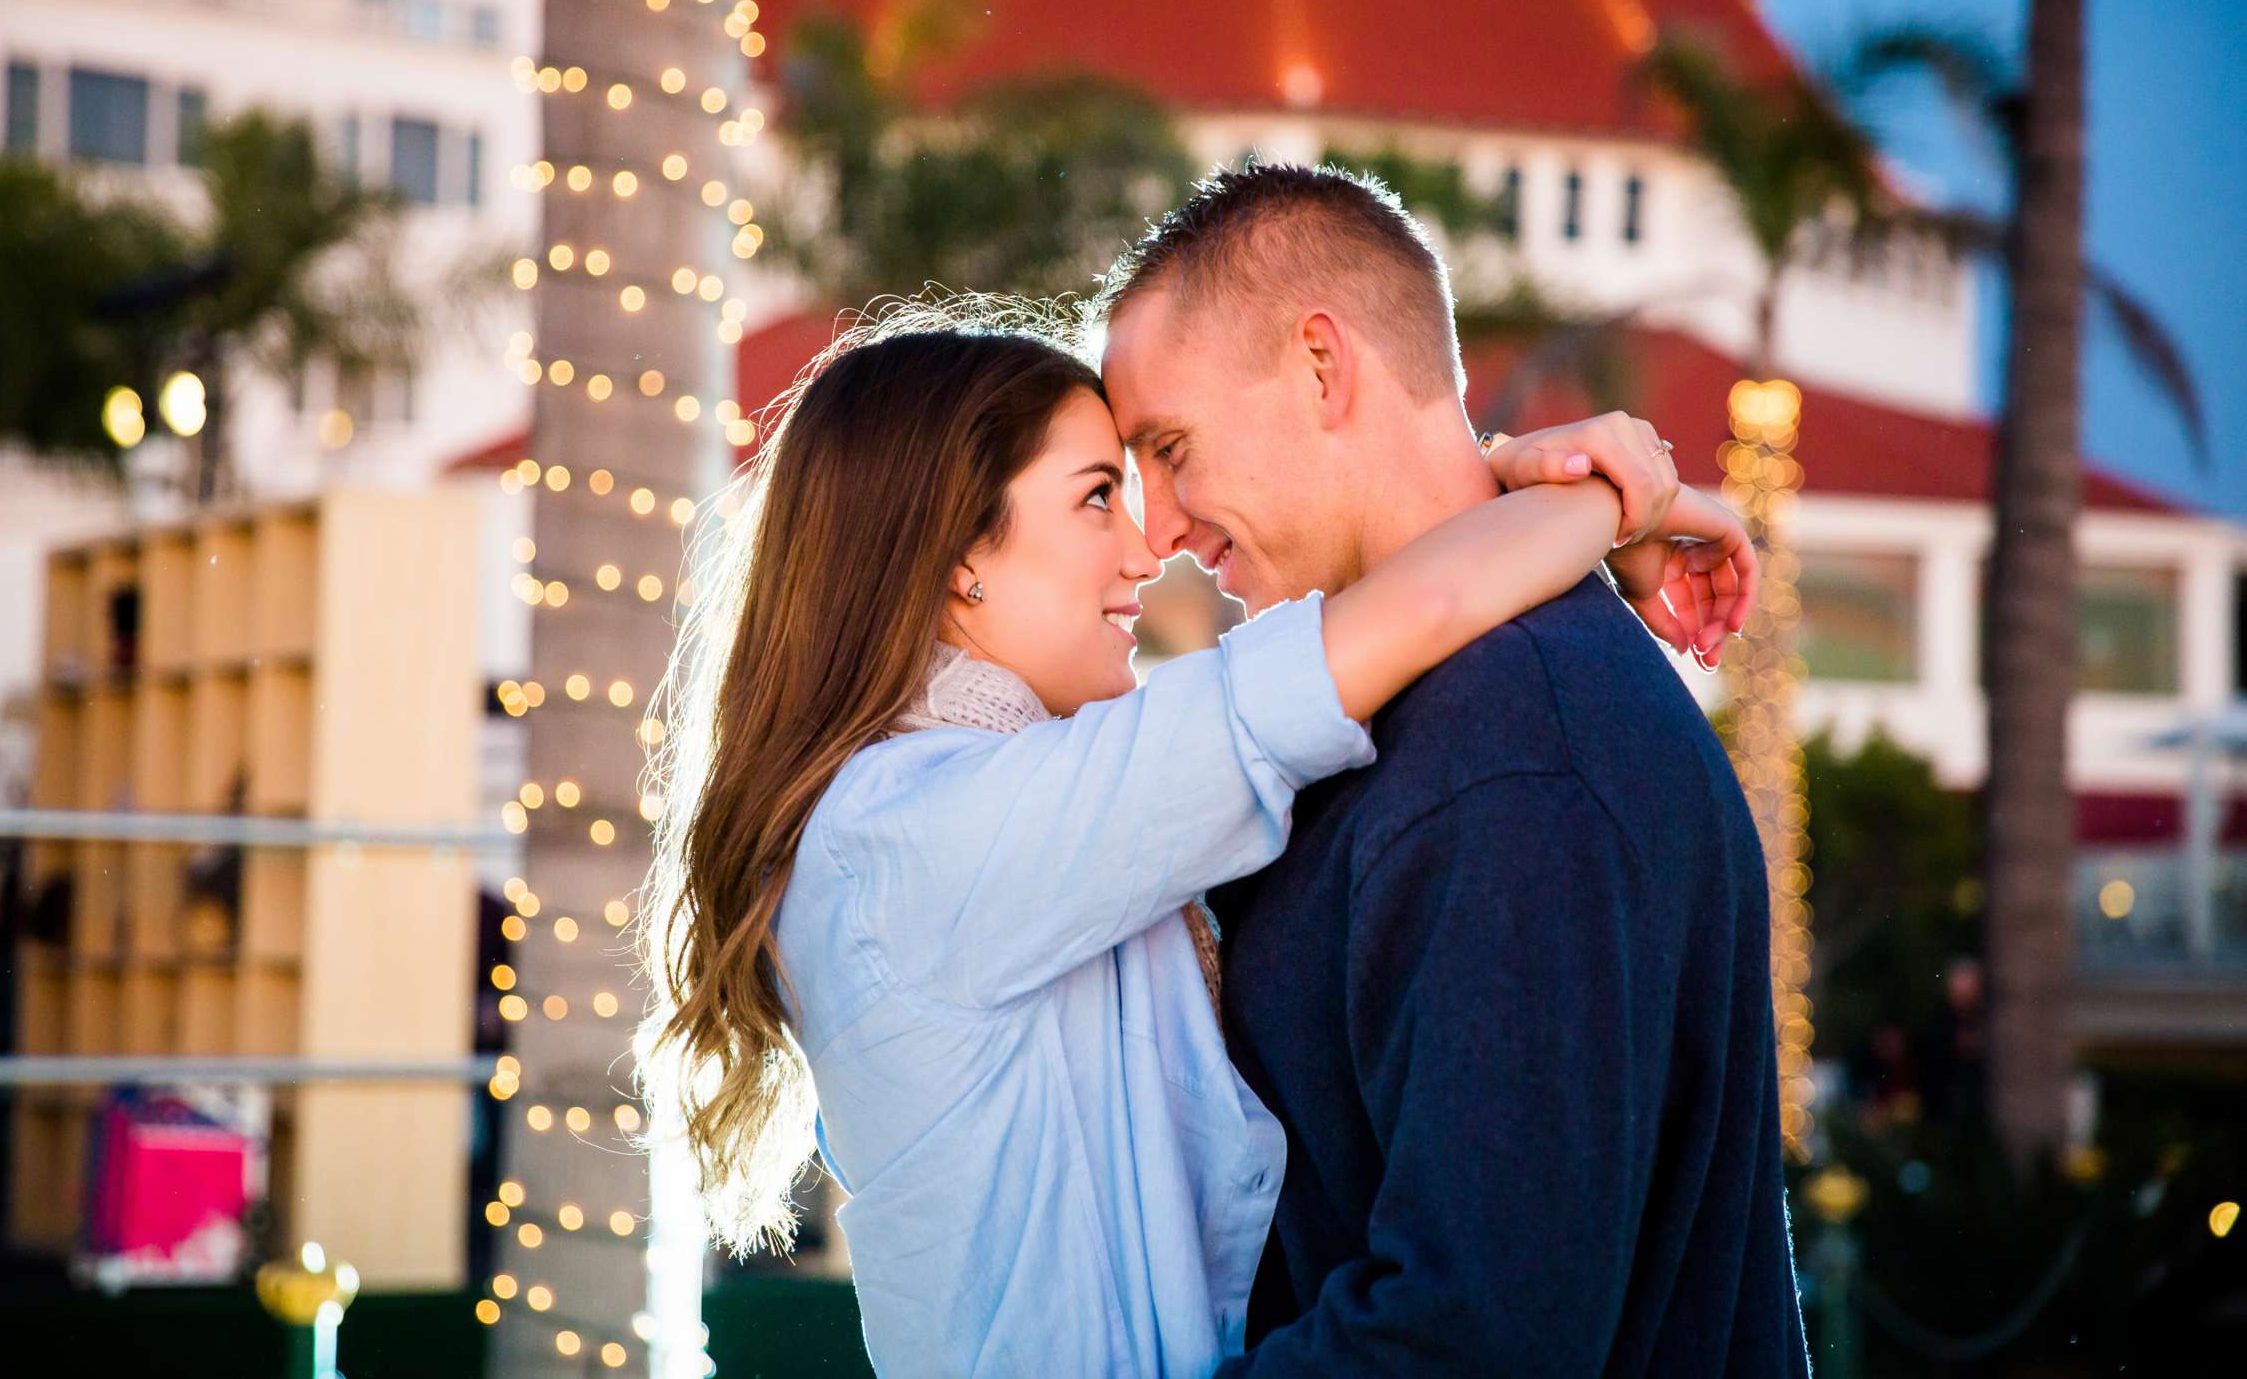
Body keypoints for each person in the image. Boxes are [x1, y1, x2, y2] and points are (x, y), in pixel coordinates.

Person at [630, 299, 1755, 1377]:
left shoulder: (988, 804)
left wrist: (1502, 478)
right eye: (1096, 497)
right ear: (956, 556)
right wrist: (1605, 499)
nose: (1146, 549)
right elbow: (1399, 620)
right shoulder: (921, 835)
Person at [1096, 163, 1811, 1375]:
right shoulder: (1421, 709)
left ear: (1324, 366)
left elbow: (1476, 1333)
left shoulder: (1514, 754)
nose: (1156, 529)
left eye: (1170, 448)